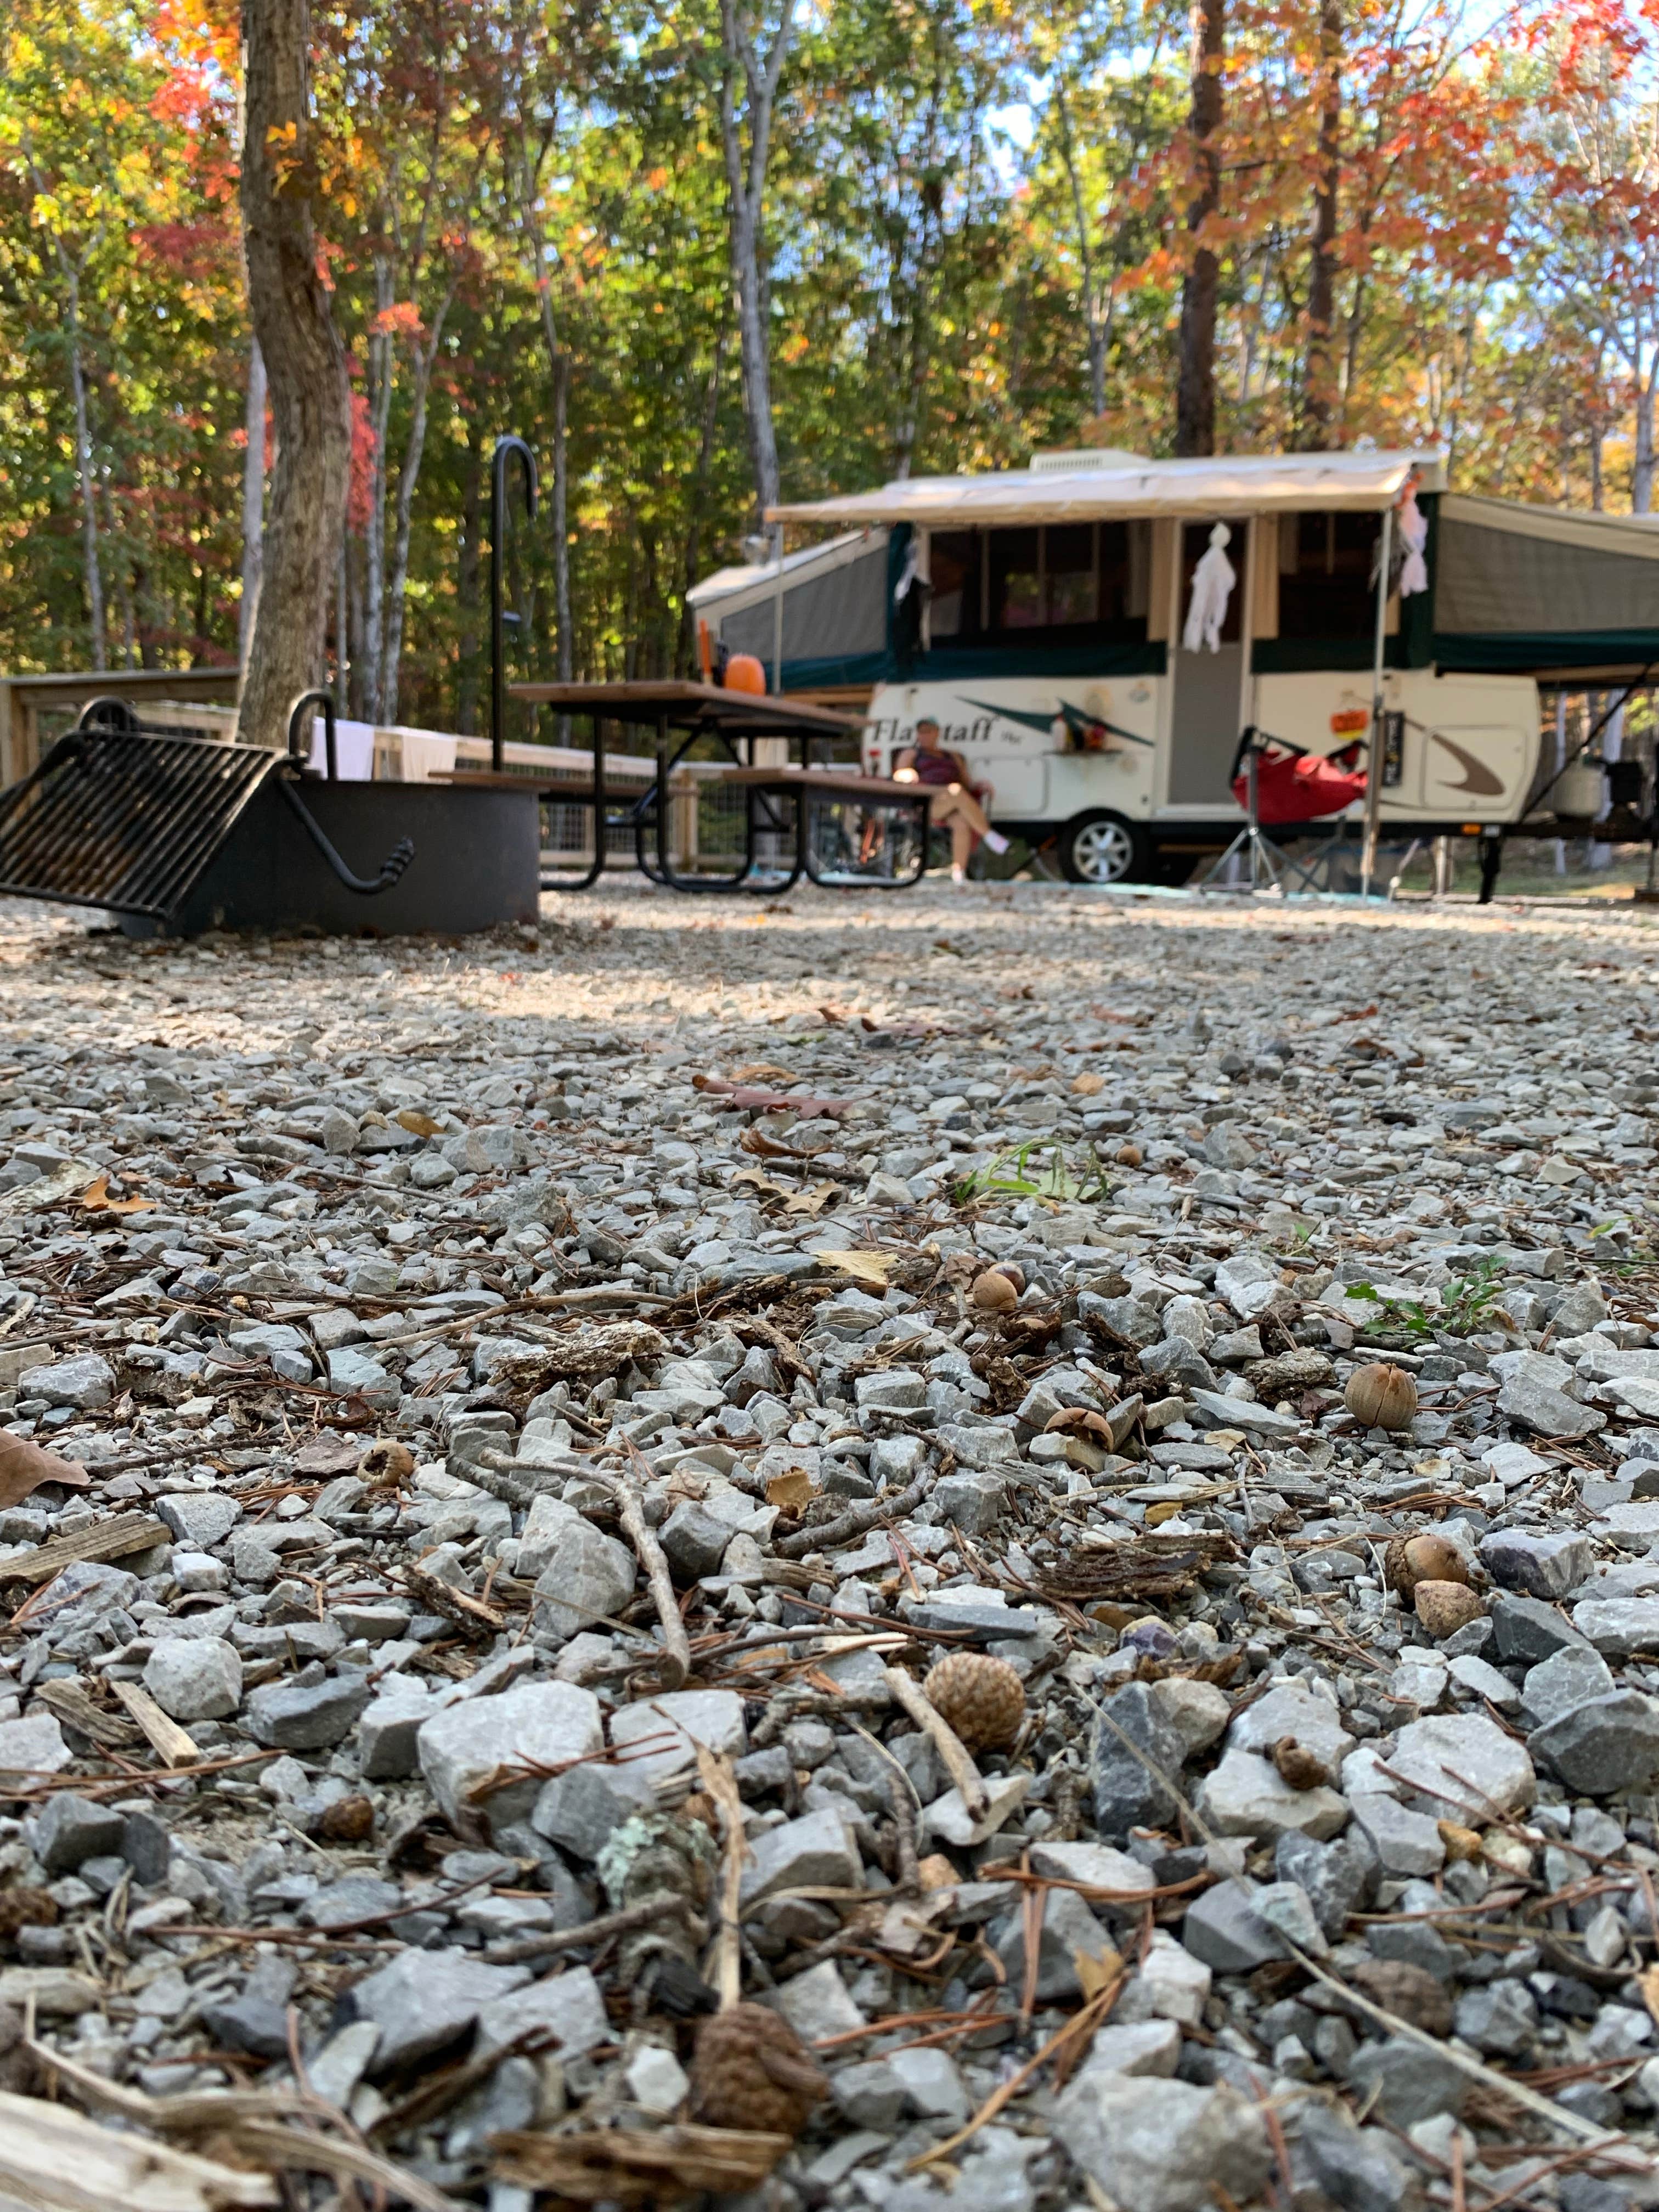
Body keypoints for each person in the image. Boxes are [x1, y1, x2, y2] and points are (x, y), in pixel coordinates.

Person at [893, 718, 1011, 884]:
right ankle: (988, 835)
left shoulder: (952, 756)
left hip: (953, 805)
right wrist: (908, 774)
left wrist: (981, 784)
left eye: (928, 731)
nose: (924, 735)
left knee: (961, 822)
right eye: (921, 732)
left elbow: (968, 783)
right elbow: (899, 774)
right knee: (956, 791)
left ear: (937, 733)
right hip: (927, 804)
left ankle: (959, 874)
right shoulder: (911, 754)